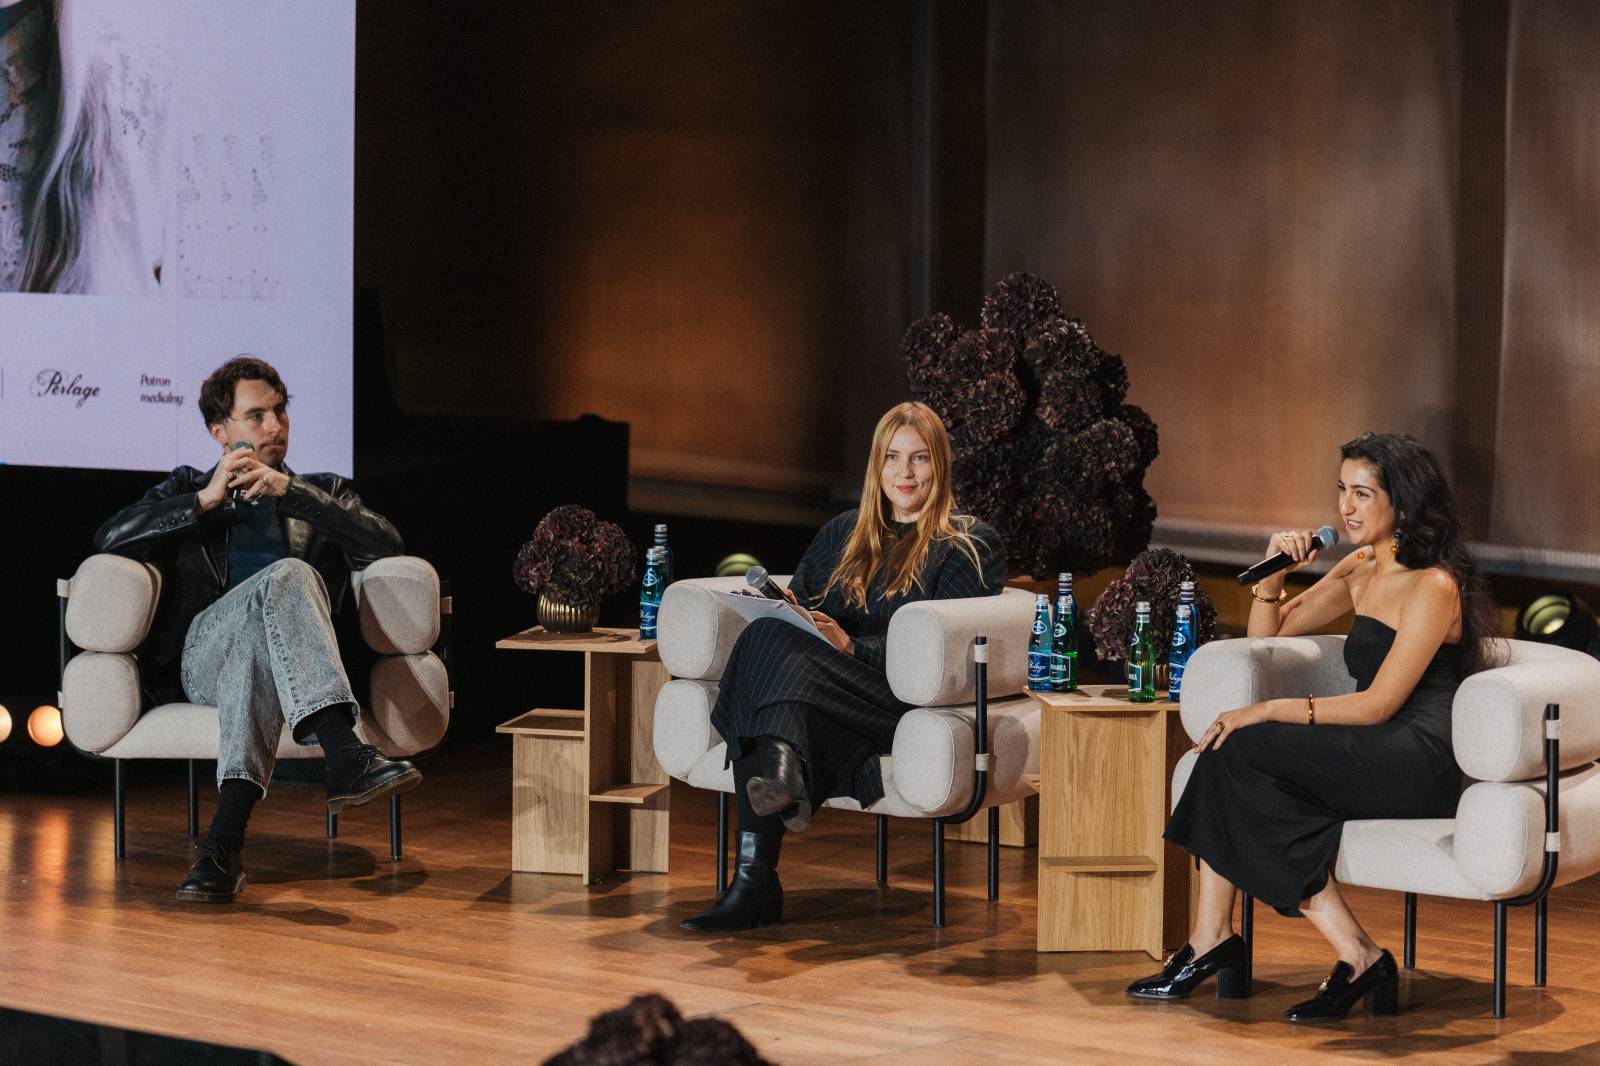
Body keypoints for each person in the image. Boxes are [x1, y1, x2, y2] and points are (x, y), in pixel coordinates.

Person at [1127, 432, 1497, 1021]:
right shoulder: (1359, 567)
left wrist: (1269, 709)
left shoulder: (1434, 584)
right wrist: (1274, 580)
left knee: (1240, 744)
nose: (1345, 507)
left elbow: (1378, 704)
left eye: (1362, 493)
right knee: (1228, 755)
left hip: (1418, 755)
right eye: (1341, 491)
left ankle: (1219, 942)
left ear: (1402, 502)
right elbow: (1267, 638)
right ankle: (1344, 952)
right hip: (1372, 746)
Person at [94, 355, 420, 902]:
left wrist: (292, 494)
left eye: (280, 411)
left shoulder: (322, 490)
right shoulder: (188, 488)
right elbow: (109, 537)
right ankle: (343, 749)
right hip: (203, 663)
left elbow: (386, 544)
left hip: (285, 667)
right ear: (219, 432)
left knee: (263, 630)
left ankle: (223, 846)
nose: (274, 426)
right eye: (256, 416)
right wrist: (201, 502)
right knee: (287, 575)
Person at [681, 401, 1006, 932]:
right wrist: (791, 607)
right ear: (876, 466)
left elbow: (942, 653)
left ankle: (758, 874)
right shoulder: (842, 533)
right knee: (768, 631)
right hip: (823, 690)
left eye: (919, 459)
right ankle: (774, 791)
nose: (904, 473)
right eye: (893, 458)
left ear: (940, 466)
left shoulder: (968, 545)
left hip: (897, 700)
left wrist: (854, 649)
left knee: (768, 669)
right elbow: (805, 606)